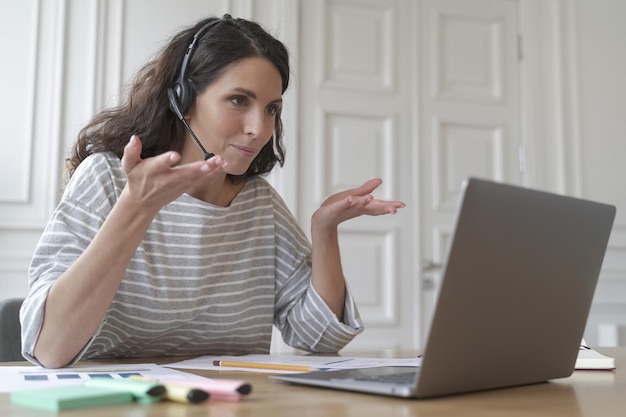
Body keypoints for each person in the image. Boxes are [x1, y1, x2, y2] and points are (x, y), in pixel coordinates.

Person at [20, 14, 406, 369]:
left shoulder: (259, 205)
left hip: (226, 404)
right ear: (182, 101)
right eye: (239, 100)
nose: (259, 127)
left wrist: (324, 231)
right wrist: (136, 208)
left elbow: (319, 338)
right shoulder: (106, 179)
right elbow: (50, 348)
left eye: (271, 109)